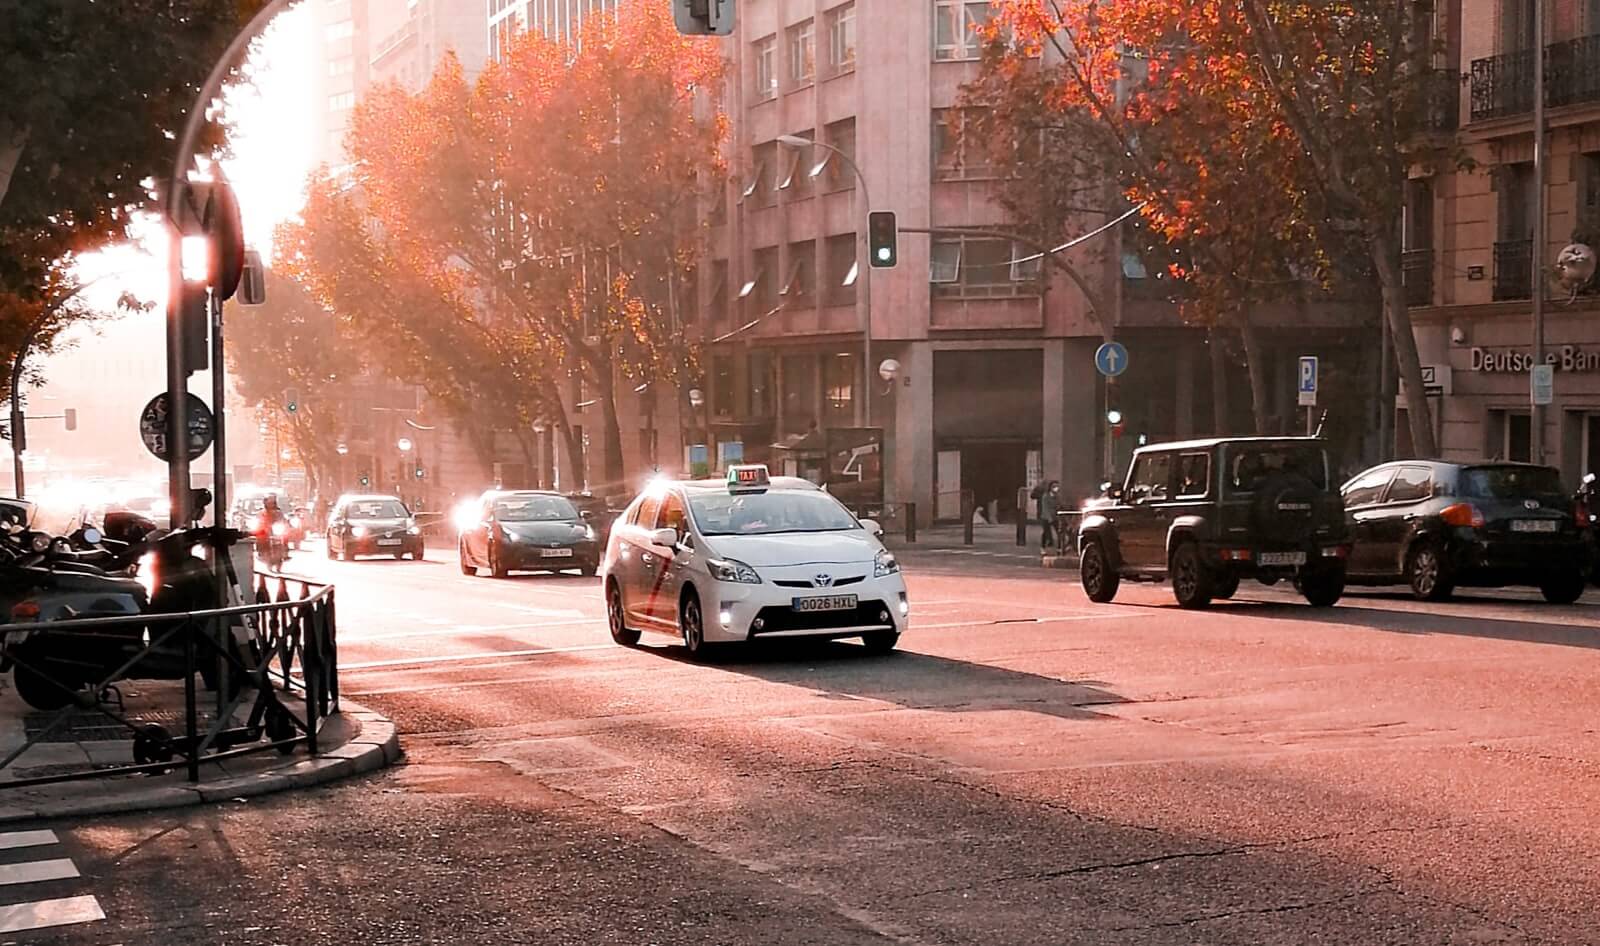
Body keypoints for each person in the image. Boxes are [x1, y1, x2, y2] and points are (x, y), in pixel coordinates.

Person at [1038, 480, 1061, 551]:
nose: (1056, 488)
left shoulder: (1057, 496)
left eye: (1057, 486)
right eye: (1054, 486)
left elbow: (1058, 505)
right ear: (1050, 487)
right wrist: (1049, 518)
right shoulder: (1046, 496)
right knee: (1046, 532)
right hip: (1045, 517)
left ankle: (1059, 547)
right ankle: (1043, 547)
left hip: (1055, 516)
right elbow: (1045, 508)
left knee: (1059, 532)